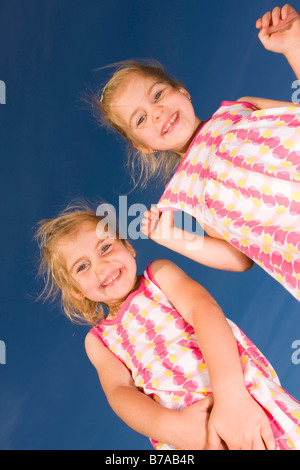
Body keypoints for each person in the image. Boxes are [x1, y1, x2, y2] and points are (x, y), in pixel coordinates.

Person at [35, 203, 300, 450]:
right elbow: (120, 392)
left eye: (105, 248)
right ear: (76, 292)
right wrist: (175, 429)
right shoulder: (98, 341)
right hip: (195, 436)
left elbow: (204, 311)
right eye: (82, 267)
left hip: (243, 400)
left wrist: (231, 395)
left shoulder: (159, 275)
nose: (100, 266)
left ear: (128, 246)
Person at [87, 5, 300, 300]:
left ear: (182, 90)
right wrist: (172, 237)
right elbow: (239, 258)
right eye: (141, 119)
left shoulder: (241, 107)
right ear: (143, 146)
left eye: (158, 95)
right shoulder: (188, 190)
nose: (158, 113)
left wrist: (293, 45)